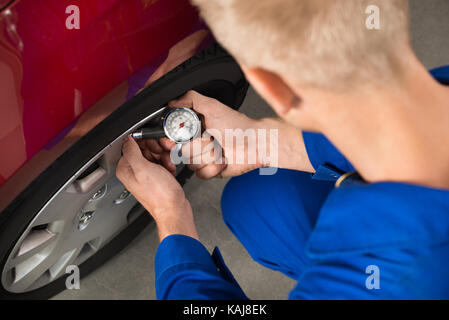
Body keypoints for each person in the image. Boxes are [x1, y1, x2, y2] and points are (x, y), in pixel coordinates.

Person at [116, 0, 449, 299]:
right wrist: (267, 143)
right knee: (263, 199)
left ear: (268, 86)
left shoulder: (380, 283)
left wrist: (172, 217)